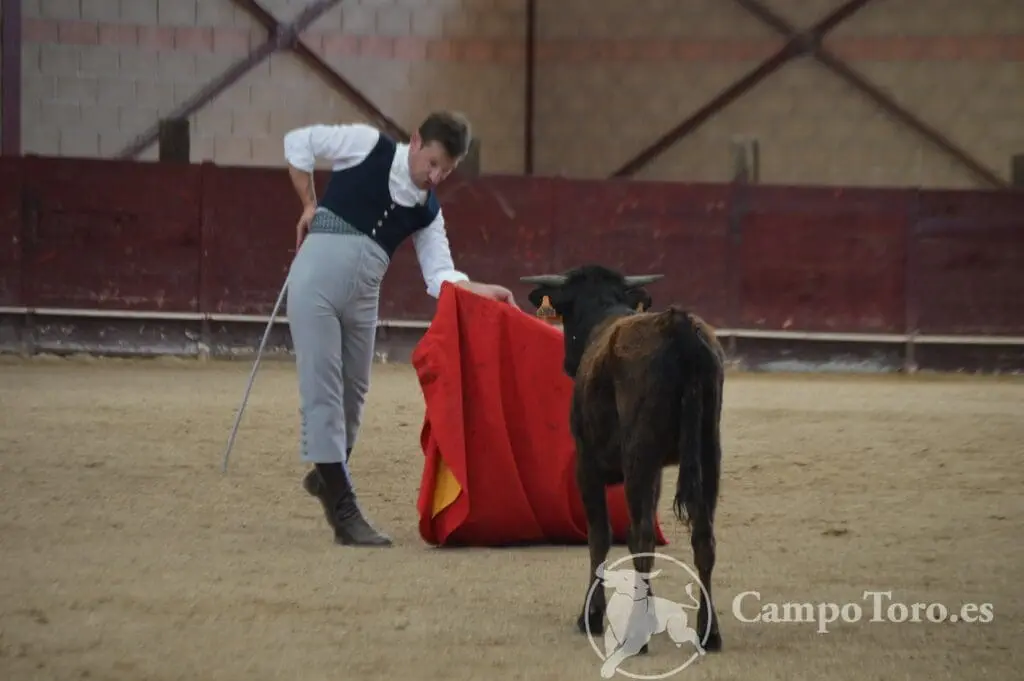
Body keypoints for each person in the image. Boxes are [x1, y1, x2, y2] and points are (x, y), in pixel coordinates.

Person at [282, 111, 517, 548]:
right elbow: (298, 141)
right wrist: (309, 203)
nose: (437, 176)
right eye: (433, 163)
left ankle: (327, 473)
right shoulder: (366, 144)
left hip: (364, 295)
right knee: (324, 389)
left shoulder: (429, 211)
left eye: (447, 170)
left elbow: (439, 275)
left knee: (355, 394)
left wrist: (482, 289)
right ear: (415, 141)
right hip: (315, 277)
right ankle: (343, 512)